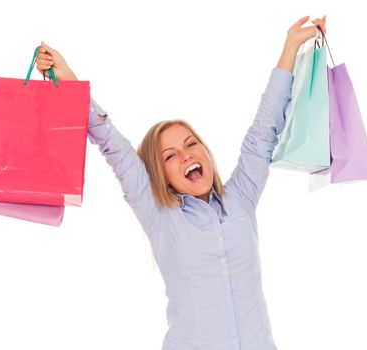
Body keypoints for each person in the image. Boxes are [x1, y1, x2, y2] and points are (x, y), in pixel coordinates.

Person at [36, 15, 327, 350]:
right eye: (170, 155)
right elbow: (112, 144)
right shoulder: (158, 213)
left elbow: (264, 131)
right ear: (160, 175)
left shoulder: (240, 199)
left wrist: (290, 47)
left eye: (190, 144)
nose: (187, 155)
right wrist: (69, 81)